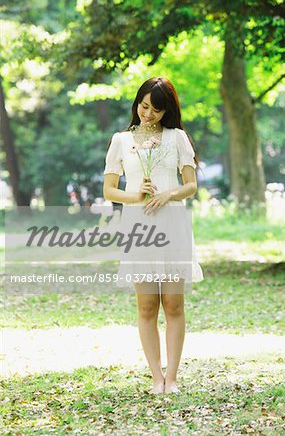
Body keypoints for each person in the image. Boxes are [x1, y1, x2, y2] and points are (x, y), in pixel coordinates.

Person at [103, 77, 204, 394]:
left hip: (172, 224)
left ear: (167, 112)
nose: (148, 114)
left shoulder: (177, 138)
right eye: (144, 106)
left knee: (173, 304)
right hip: (138, 227)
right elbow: (109, 190)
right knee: (146, 305)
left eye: (156, 110)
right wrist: (136, 197)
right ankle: (156, 378)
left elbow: (191, 185)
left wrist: (168, 194)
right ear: (137, 103)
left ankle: (172, 378)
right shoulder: (121, 140)